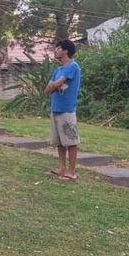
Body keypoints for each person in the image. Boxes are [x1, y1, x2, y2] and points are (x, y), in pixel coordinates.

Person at [44, 39, 82, 181]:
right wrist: (54, 84)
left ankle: (71, 172)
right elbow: (47, 89)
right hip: (56, 109)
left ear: (65, 50)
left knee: (70, 141)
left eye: (58, 48)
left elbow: (58, 83)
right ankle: (61, 168)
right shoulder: (58, 70)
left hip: (67, 110)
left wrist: (54, 84)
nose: (56, 51)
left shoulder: (73, 66)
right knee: (59, 141)